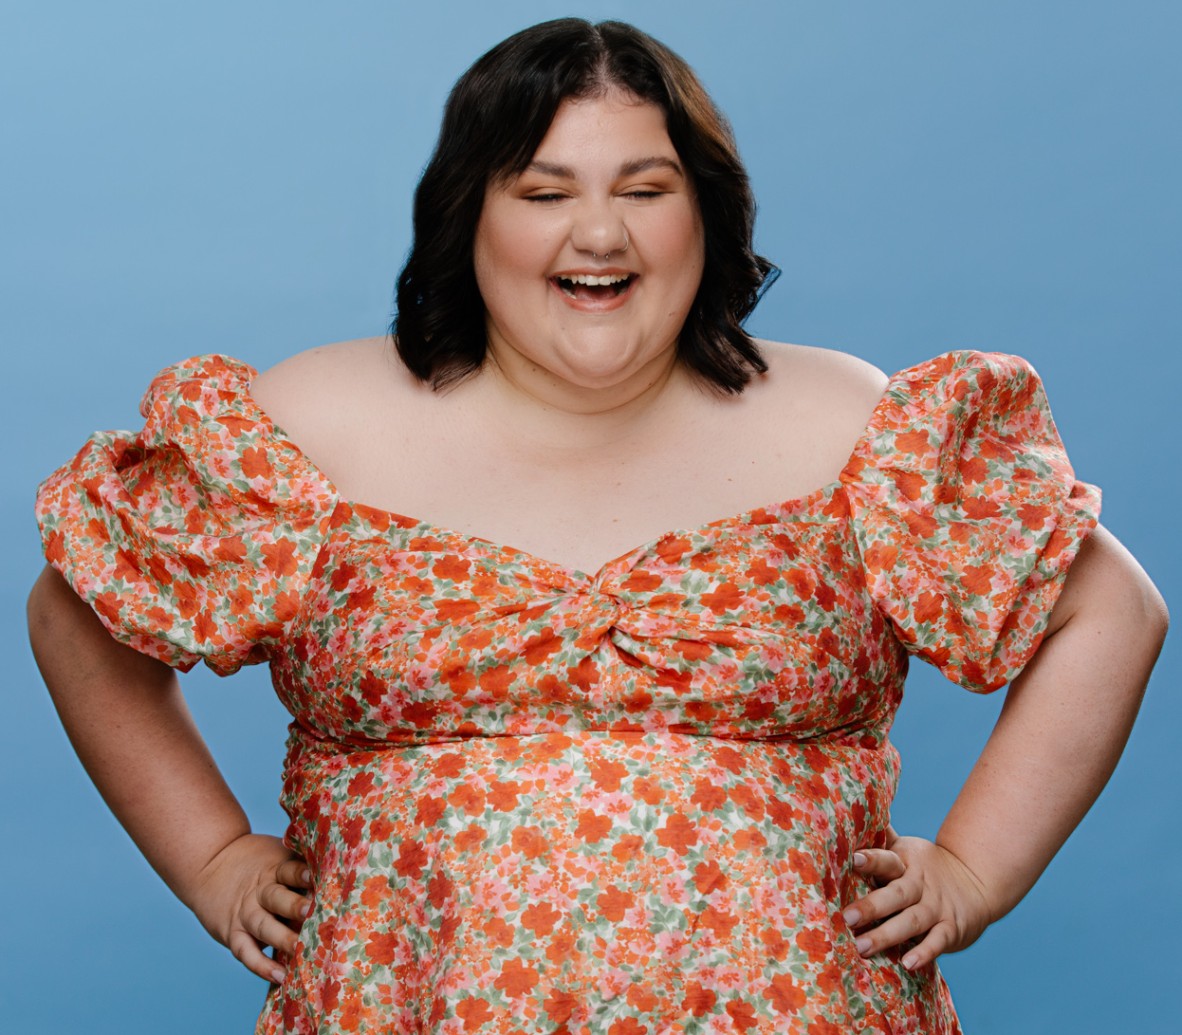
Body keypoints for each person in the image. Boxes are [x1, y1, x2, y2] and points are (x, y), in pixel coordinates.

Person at [28, 17, 1165, 1035]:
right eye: (544, 190)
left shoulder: (856, 423)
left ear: (705, 214)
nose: (600, 233)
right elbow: (76, 608)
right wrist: (216, 860)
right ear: (468, 211)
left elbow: (1112, 608)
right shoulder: (310, 423)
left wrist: (971, 870)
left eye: (645, 188)